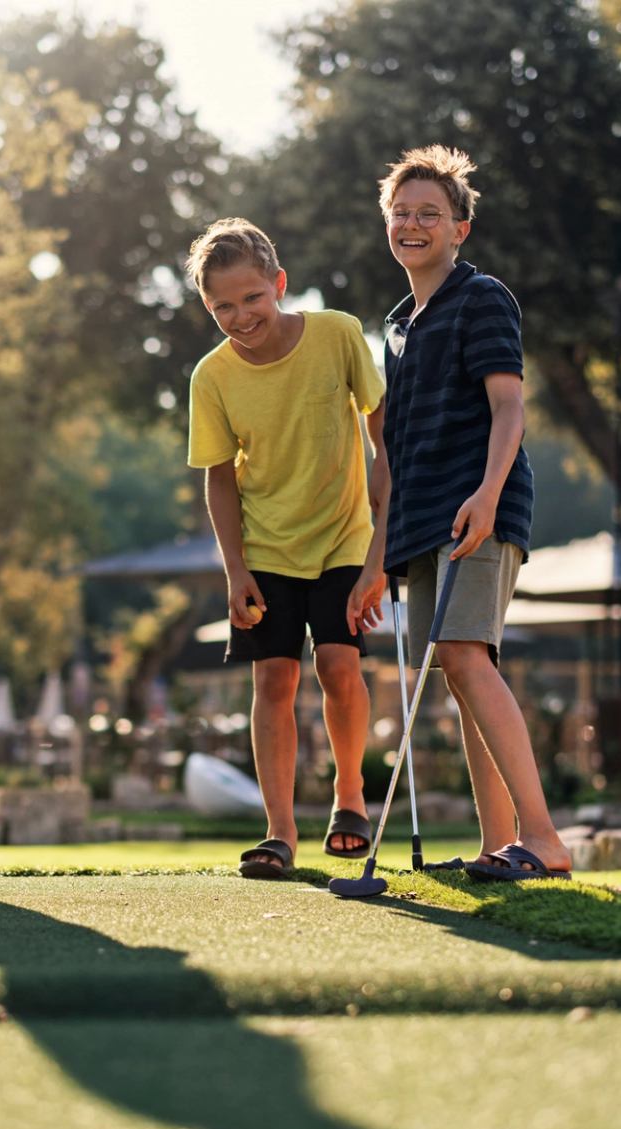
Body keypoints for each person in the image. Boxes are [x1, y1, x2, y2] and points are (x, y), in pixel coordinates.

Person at [371, 146, 571, 879]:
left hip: (477, 506)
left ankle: (544, 839)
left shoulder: (482, 296)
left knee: (464, 657)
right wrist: (378, 555)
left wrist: (486, 496)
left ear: (460, 229)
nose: (413, 224)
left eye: (430, 213)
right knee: (459, 670)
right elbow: (389, 451)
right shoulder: (395, 326)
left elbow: (508, 405)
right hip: (422, 521)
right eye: (402, 213)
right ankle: (498, 844)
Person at [185, 218, 388, 879]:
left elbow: (384, 436)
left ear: (279, 283)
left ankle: (350, 796)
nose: (240, 316)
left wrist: (383, 548)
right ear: (207, 308)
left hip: (343, 534)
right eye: (222, 307)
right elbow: (219, 477)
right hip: (265, 543)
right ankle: (278, 832)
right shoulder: (211, 377)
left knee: (337, 665)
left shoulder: (337, 334)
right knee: (273, 678)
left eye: (251, 298)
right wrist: (234, 568)